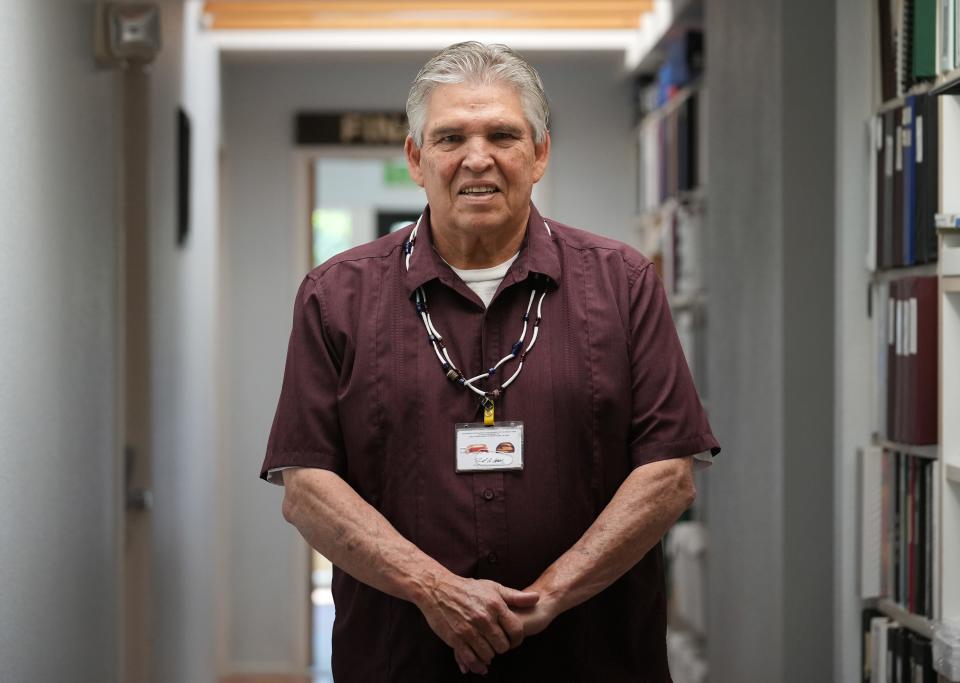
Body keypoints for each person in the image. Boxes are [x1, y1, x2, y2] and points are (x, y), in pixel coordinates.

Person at [262, 41, 720, 682]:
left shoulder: (624, 283)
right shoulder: (335, 296)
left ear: (539, 155)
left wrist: (550, 595)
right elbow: (307, 488)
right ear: (417, 160)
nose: (478, 158)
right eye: (451, 138)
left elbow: (668, 474)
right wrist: (436, 590)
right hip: (402, 662)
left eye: (503, 135)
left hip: (591, 658)